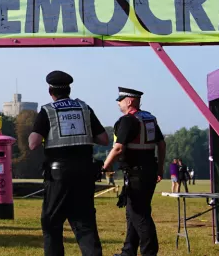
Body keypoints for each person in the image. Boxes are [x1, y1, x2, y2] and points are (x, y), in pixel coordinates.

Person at [29, 70, 110, 256]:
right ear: (69, 89)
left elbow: (33, 143)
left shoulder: (48, 111)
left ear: (51, 91)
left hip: (59, 177)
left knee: (52, 223)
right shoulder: (84, 109)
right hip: (84, 174)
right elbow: (104, 139)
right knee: (85, 223)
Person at [102, 87, 166, 256]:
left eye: (120, 99)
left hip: (136, 173)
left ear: (129, 101)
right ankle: (128, 251)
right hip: (149, 170)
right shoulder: (149, 119)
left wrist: (105, 166)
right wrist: (160, 167)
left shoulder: (128, 121)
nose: (118, 102)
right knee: (134, 213)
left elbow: (118, 148)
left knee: (139, 214)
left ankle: (149, 252)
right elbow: (161, 144)